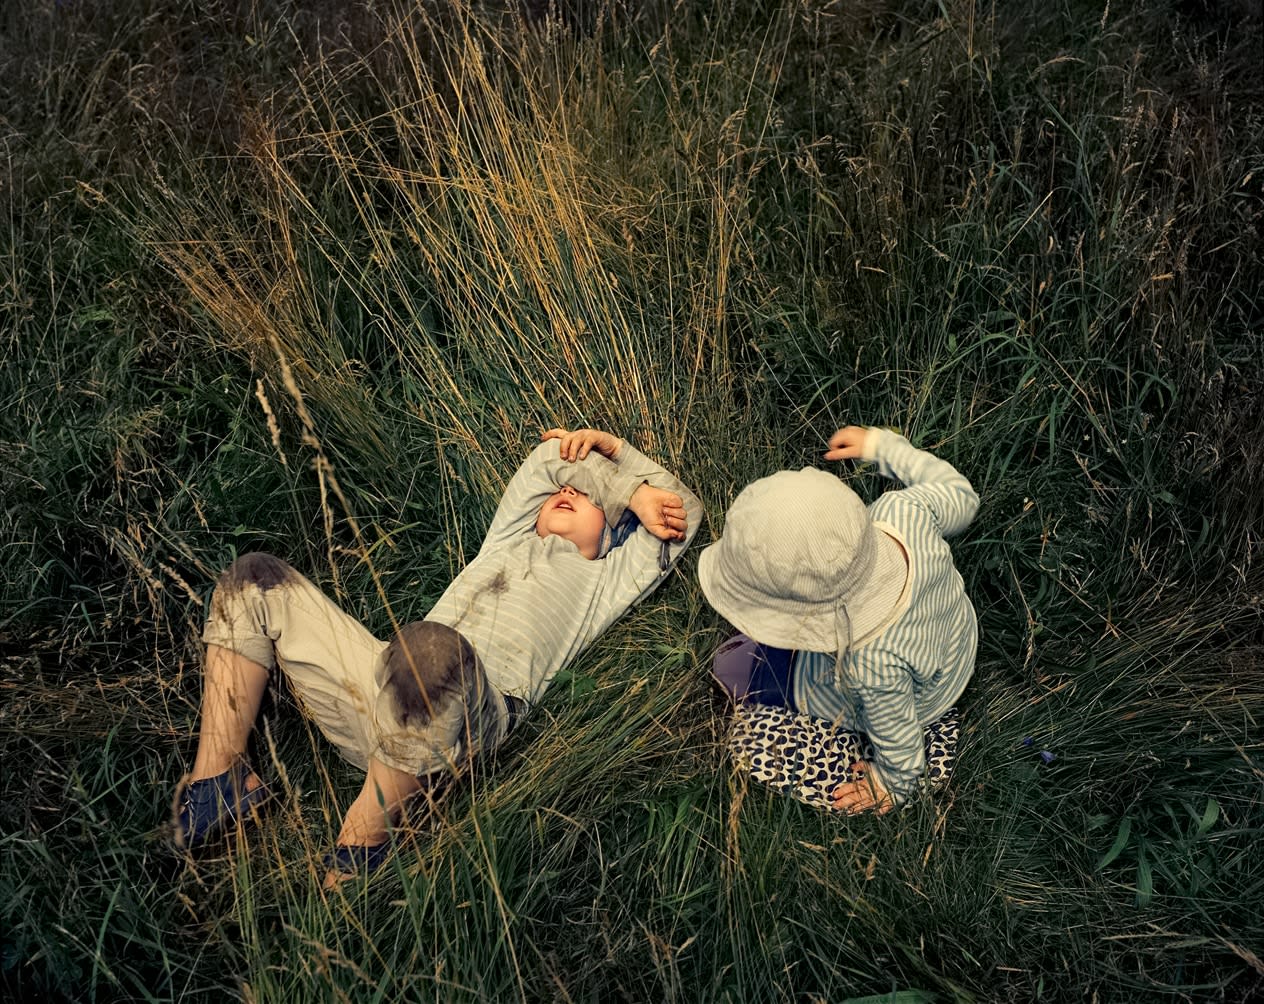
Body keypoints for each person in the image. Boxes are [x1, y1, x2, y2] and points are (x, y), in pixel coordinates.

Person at [172, 427, 700, 884]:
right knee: (253, 577)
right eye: (561, 491)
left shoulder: (603, 577)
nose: (566, 489)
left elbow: (686, 510)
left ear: (612, 532)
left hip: (471, 718)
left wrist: (625, 472)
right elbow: (547, 458)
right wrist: (611, 470)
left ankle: (363, 844)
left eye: (585, 497)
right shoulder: (507, 539)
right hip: (391, 689)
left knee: (432, 648)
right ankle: (219, 780)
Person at [698, 424, 978, 814]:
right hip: (953, 639)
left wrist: (893, 785)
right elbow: (962, 497)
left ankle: (777, 679)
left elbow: (901, 745)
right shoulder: (903, 512)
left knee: (729, 667)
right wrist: (884, 447)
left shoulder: (870, 666)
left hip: (922, 697)